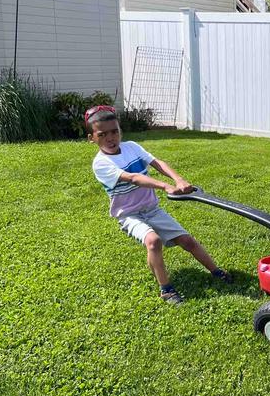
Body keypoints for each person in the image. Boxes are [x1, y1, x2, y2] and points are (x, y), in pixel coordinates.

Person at [86, 105, 232, 305]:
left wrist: (178, 179)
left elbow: (157, 163)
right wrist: (165, 186)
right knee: (153, 241)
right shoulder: (100, 163)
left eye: (115, 132)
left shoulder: (132, 147)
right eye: (102, 135)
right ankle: (167, 290)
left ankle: (217, 272)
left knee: (187, 241)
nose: (111, 138)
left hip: (151, 209)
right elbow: (134, 178)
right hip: (129, 215)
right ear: (91, 138)